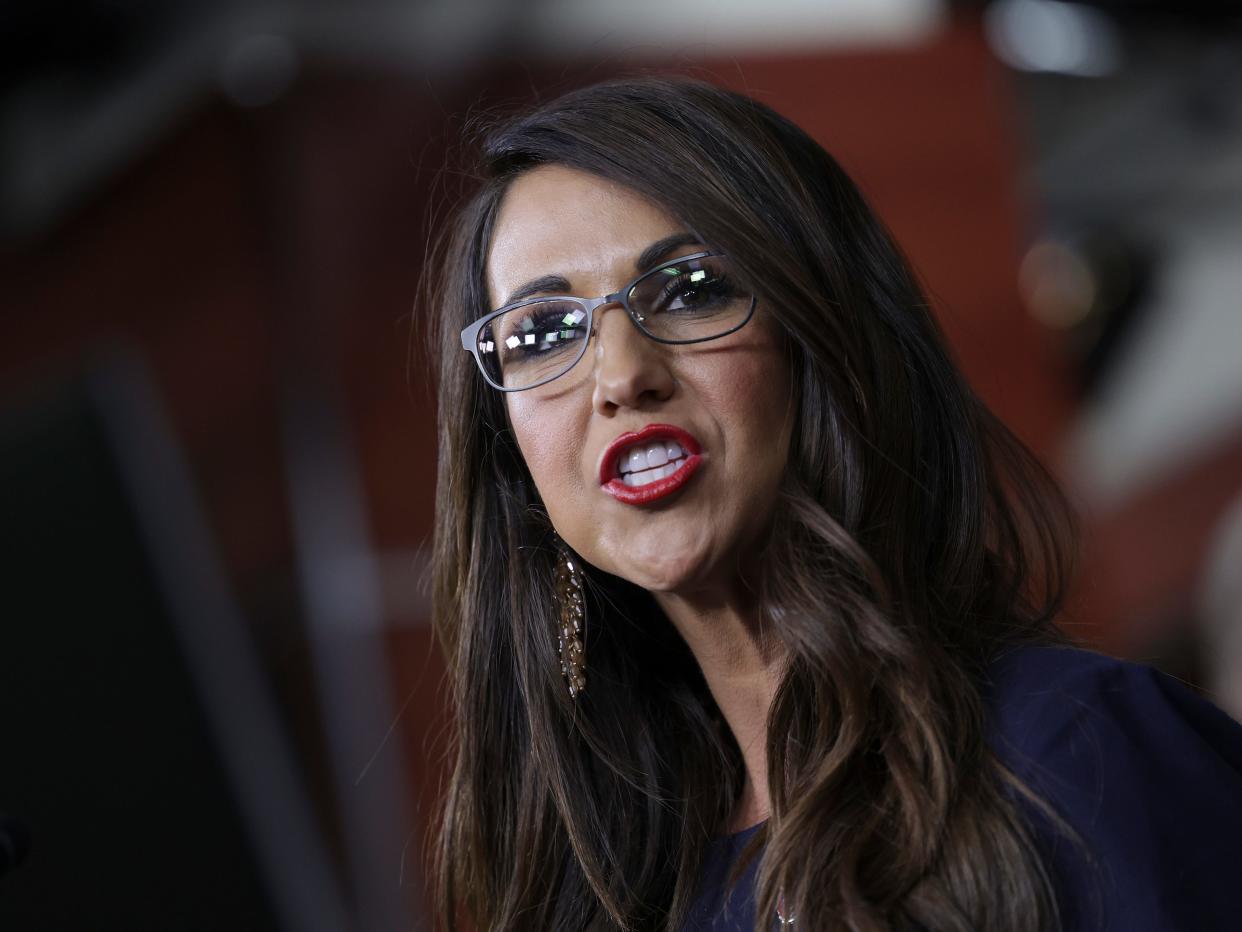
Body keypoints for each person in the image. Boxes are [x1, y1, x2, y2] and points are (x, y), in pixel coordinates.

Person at [425, 75, 1242, 931]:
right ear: (509, 451)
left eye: (694, 287)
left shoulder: (1077, 756)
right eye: (542, 333)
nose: (623, 374)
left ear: (822, 338)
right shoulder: (614, 897)